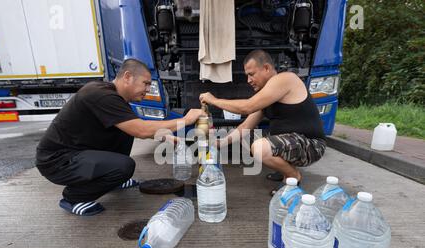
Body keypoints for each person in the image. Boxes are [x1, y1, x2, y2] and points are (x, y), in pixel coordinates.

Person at [36, 59, 205, 216]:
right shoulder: (101, 95)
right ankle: (74, 198)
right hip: (56, 161)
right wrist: (185, 120)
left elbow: (134, 127)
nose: (147, 90)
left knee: (126, 128)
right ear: (127, 77)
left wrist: (164, 136)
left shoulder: (115, 98)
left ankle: (113, 181)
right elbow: (141, 130)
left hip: (77, 151)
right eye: (145, 83)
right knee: (125, 166)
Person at [199, 50, 326, 195]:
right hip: (293, 142)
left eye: (251, 74)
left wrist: (213, 100)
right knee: (252, 138)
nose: (248, 80)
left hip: (312, 145)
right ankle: (283, 169)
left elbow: (247, 107)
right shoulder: (267, 95)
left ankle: (293, 176)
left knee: (259, 148)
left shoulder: (286, 79)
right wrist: (219, 143)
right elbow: (245, 126)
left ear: (266, 68)